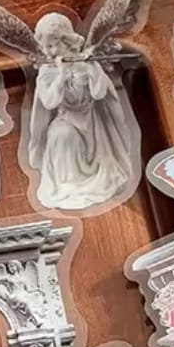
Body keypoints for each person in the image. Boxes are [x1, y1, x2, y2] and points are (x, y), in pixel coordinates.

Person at [29, 13, 135, 211]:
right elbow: (50, 102)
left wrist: (90, 68)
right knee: (62, 134)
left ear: (66, 40)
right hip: (65, 120)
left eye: (51, 45)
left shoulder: (86, 63)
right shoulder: (47, 71)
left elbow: (99, 93)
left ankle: (92, 180)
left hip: (91, 122)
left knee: (98, 157)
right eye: (44, 47)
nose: (47, 52)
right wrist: (61, 74)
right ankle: (68, 185)